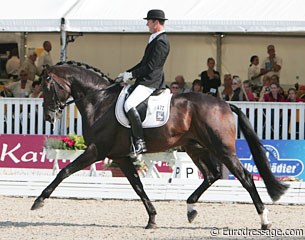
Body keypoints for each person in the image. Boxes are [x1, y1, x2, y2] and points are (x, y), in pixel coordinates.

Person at [117, 9, 170, 157]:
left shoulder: (161, 41)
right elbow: (143, 63)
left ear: (156, 22)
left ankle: (140, 142)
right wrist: (126, 73)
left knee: (129, 105)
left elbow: (151, 67)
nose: (147, 24)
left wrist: (132, 75)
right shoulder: (155, 38)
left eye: (149, 21)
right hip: (145, 79)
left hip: (151, 82)